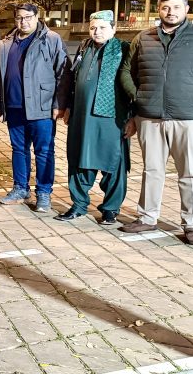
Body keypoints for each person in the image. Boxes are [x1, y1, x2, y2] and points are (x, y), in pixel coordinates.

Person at [120, 0, 193, 245]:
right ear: (158, 10)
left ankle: (192, 224)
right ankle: (147, 217)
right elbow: (127, 71)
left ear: (186, 9)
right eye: (165, 8)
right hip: (150, 117)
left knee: (190, 173)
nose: (171, 12)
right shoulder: (143, 37)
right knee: (152, 170)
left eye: (176, 7)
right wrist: (138, 97)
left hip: (189, 119)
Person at [0, 4, 72, 212]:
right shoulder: (6, 42)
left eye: (28, 17)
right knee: (19, 149)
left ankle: (43, 193)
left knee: (44, 151)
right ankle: (21, 188)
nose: (23, 21)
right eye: (19, 17)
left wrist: (59, 104)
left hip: (42, 107)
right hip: (14, 106)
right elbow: (0, 75)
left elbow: (63, 73)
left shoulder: (51, 39)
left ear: (37, 17)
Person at [56, 11, 132, 225]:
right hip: (82, 116)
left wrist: (133, 117)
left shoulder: (124, 49)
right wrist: (68, 107)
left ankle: (110, 209)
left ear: (114, 29)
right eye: (93, 28)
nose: (97, 32)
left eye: (102, 27)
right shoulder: (84, 47)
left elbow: (134, 83)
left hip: (112, 118)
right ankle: (78, 205)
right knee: (79, 159)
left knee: (113, 162)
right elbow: (73, 80)